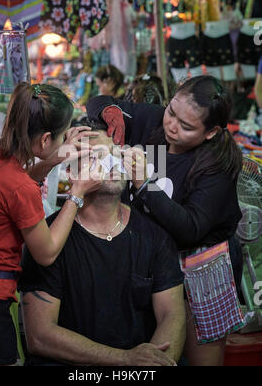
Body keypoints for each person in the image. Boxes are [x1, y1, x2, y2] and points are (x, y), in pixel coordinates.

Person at [86, 75, 244, 366]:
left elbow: (190, 229)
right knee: (149, 354)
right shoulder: (156, 122)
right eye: (172, 112)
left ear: (211, 132)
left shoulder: (218, 164)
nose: (172, 126)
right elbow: (98, 102)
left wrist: (145, 184)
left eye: (186, 127)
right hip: (152, 259)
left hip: (201, 265)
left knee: (200, 356)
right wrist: (111, 114)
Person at [18, 122, 186, 367]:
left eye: (116, 154)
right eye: (98, 156)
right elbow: (40, 336)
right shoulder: (47, 240)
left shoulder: (154, 236)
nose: (112, 163)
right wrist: (125, 359)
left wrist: (153, 364)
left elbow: (172, 315)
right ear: (73, 174)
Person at [0, 83, 104, 366]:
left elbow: (7, 188)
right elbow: (46, 252)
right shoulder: (19, 189)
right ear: (45, 139)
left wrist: (50, 161)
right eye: (62, 136)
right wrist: (77, 193)